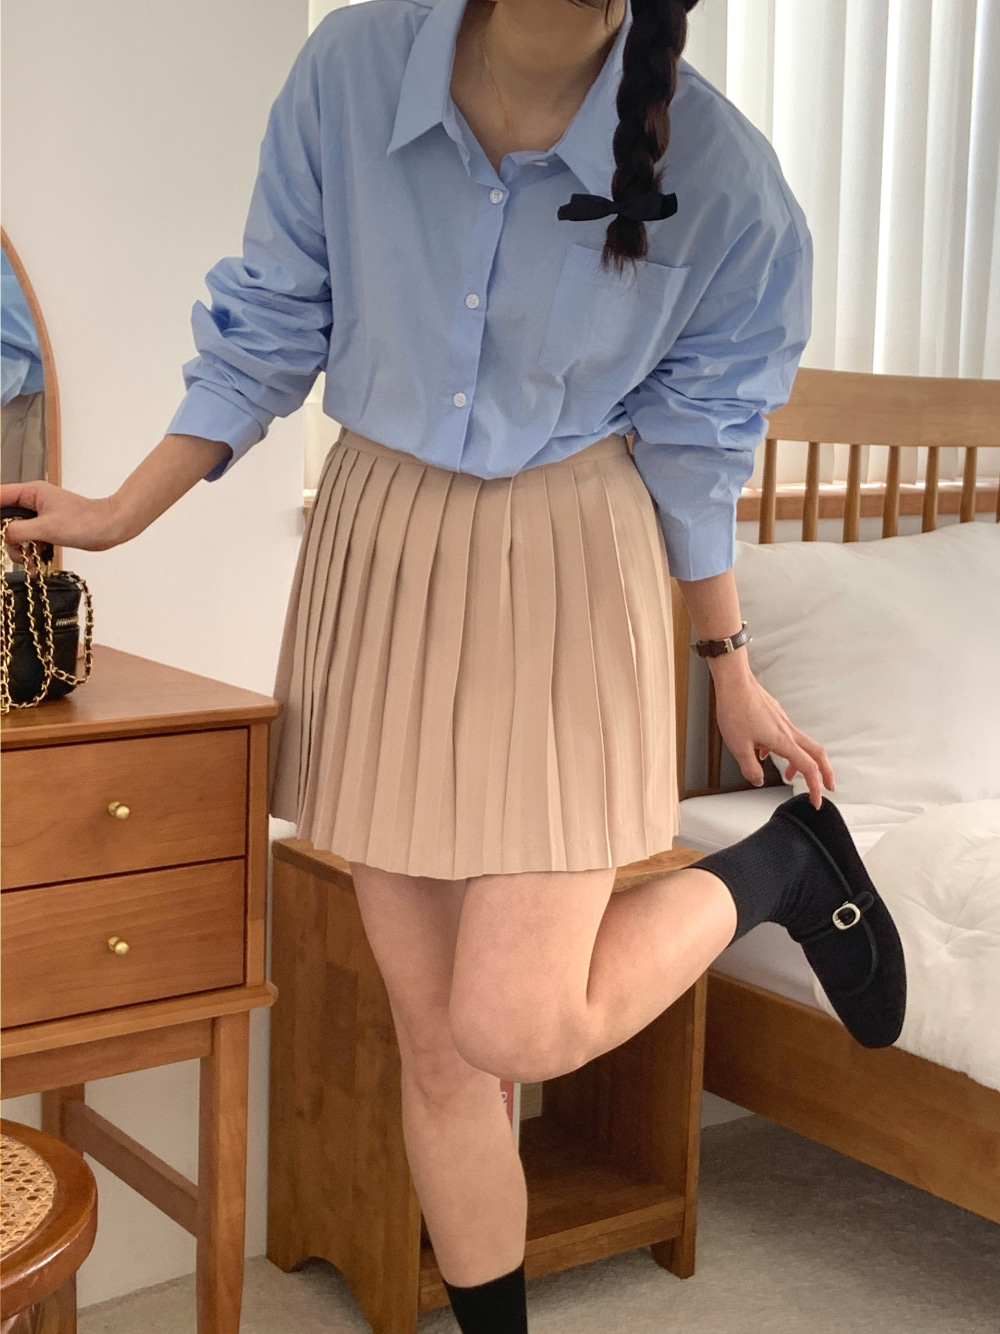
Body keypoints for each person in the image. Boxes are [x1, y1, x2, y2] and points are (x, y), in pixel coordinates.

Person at [1, 3, 906, 1330]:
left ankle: (780, 866)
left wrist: (728, 662)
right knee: (436, 1049)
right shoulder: (353, 69)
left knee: (516, 1022)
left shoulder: (725, 179)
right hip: (383, 555)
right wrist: (121, 513)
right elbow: (269, 327)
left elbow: (698, 445)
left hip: (571, 562)